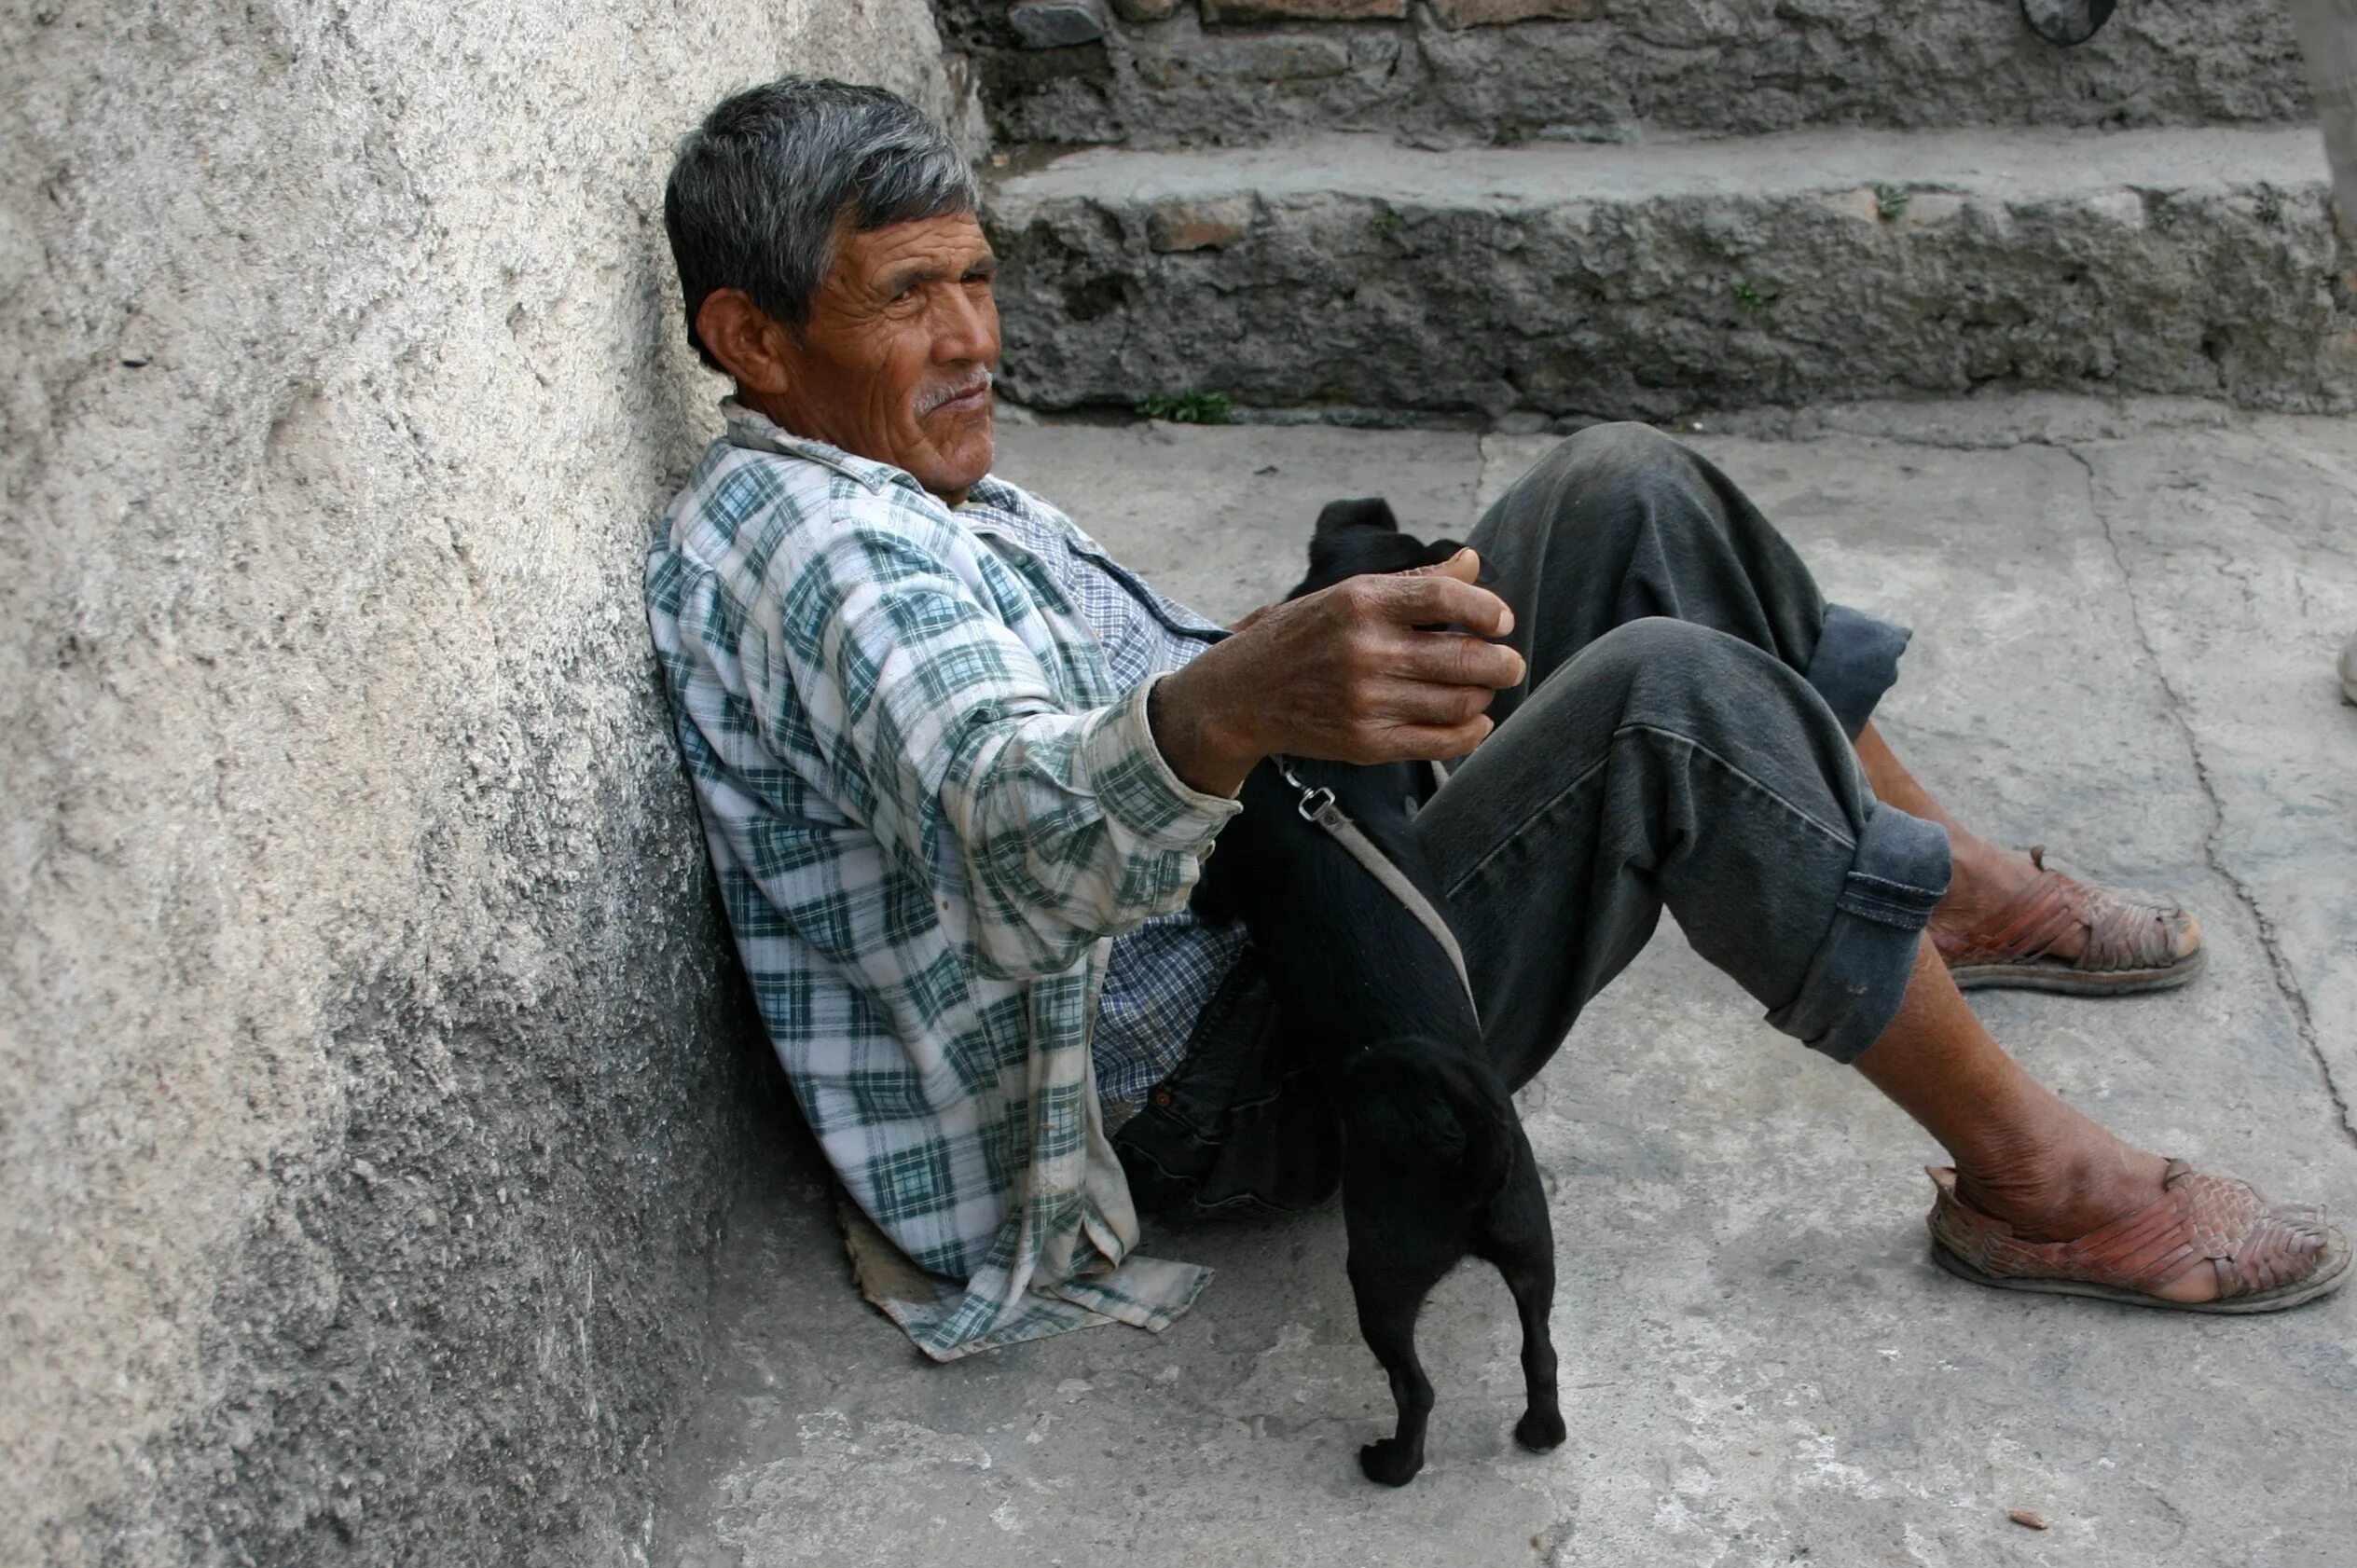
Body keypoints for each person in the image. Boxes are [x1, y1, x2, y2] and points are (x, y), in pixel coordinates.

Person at [644, 77, 2347, 1361]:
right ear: (752, 337)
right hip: (1200, 1088)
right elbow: (1019, 838)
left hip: (1263, 891)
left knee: (1624, 495)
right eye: (907, 299)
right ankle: (2037, 1186)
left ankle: (1942, 893)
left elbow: (1076, 718)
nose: (970, 342)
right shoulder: (823, 548)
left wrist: (1282, 668)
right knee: (1667, 713)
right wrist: (1240, 696)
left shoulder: (873, 470)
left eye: (974, 280)